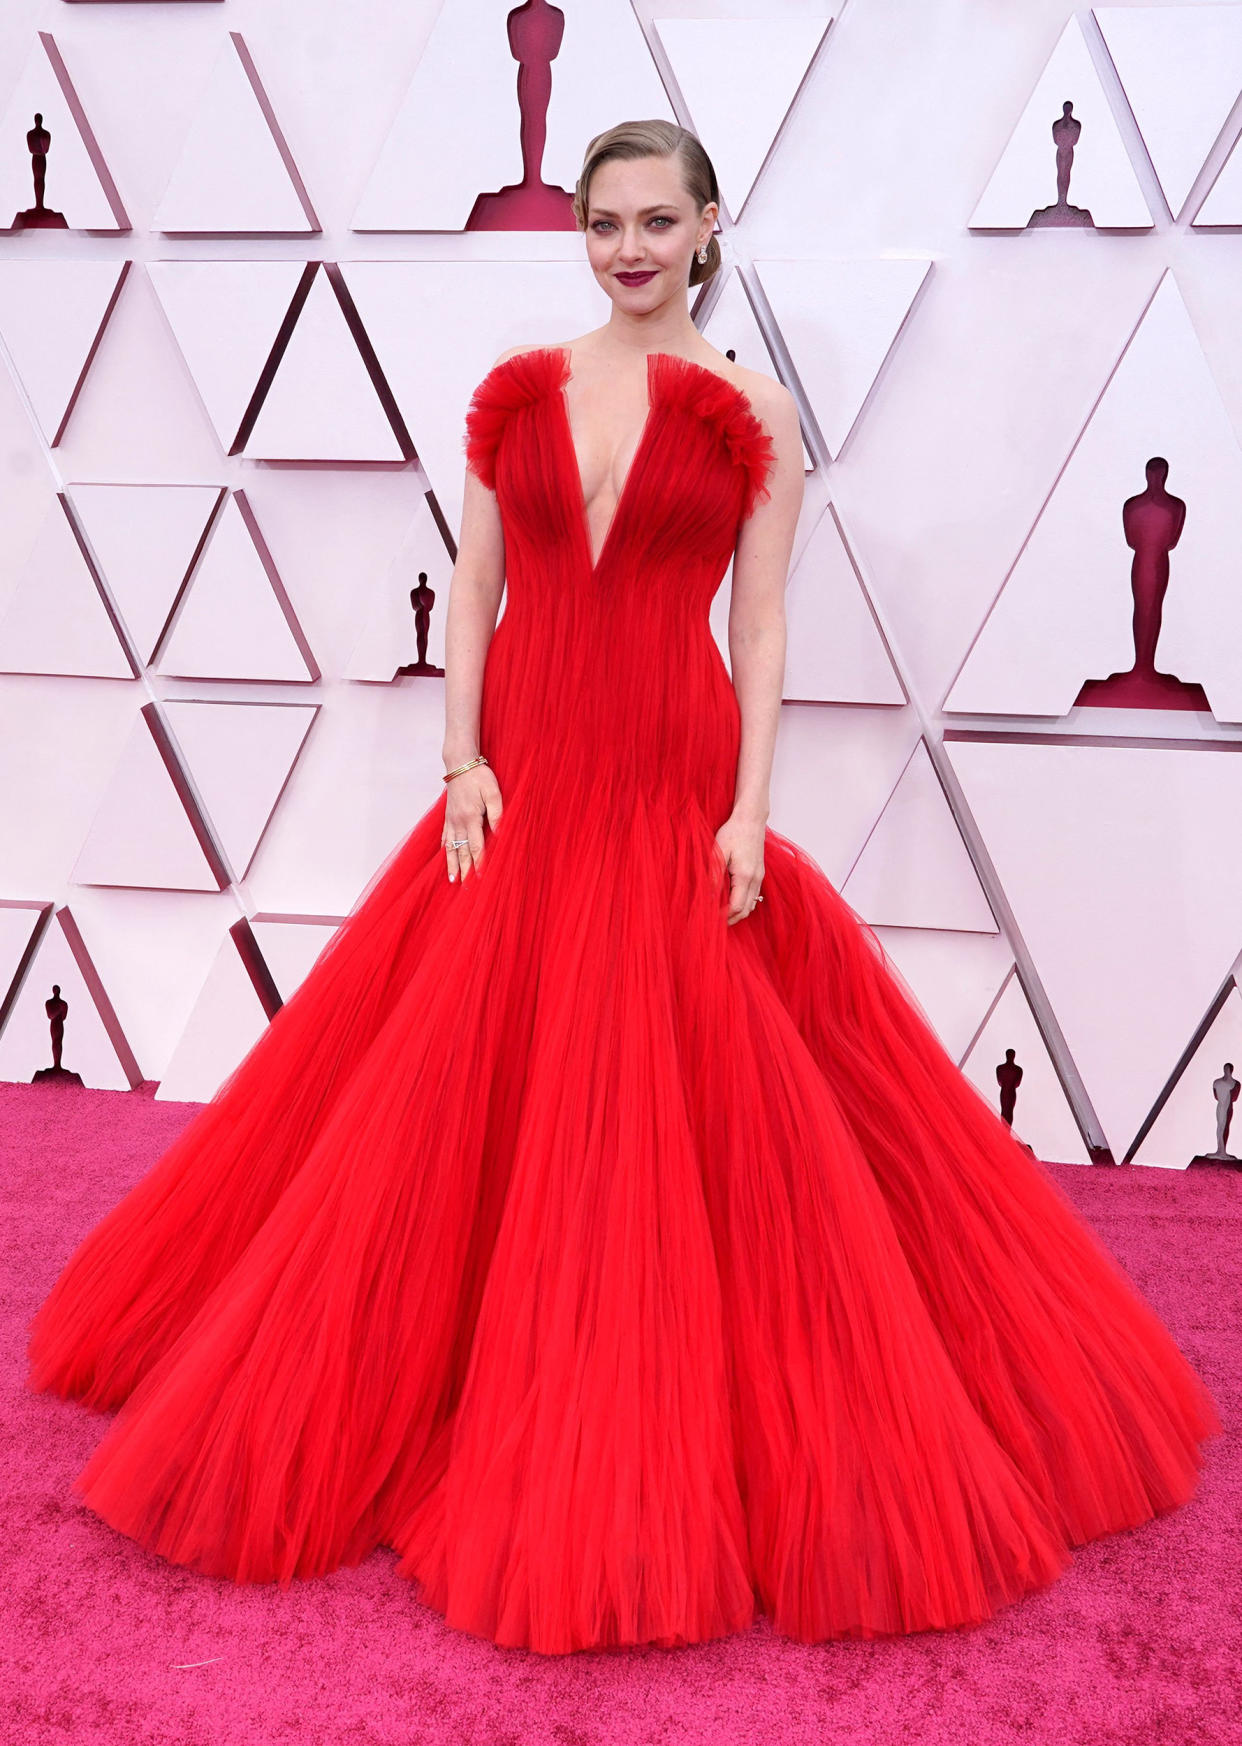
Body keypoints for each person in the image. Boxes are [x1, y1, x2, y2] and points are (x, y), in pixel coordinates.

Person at [27, 119, 1221, 1658]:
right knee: (451, 1088)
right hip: (523, 766)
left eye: (657, 219)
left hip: (666, 763)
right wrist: (459, 760)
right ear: (580, 232)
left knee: (669, 1094)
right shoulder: (522, 389)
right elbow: (473, 585)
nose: (628, 247)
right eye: (603, 221)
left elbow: (768, 623)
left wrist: (746, 815)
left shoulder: (753, 411)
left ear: (710, 225)